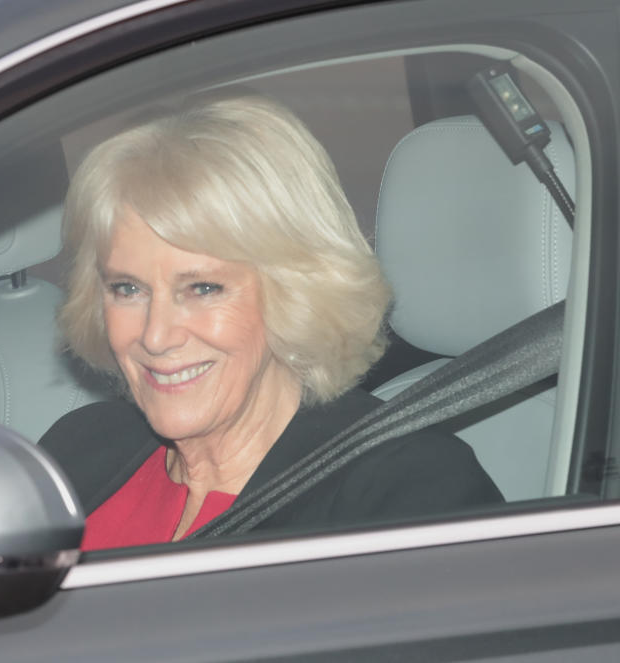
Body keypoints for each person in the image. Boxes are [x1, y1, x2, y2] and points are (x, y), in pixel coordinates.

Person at [39, 95, 503, 551]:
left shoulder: (406, 493)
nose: (155, 336)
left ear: (294, 293)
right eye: (128, 289)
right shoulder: (77, 450)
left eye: (203, 288)